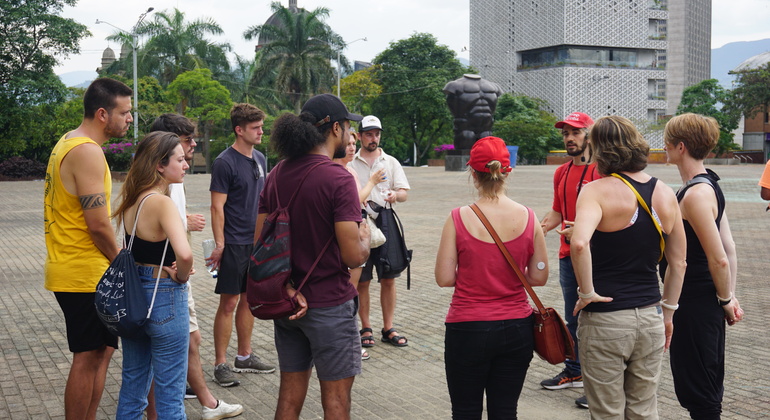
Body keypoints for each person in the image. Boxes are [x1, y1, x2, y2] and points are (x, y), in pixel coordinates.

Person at [256, 93, 369, 419]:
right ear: (335, 128)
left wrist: (288, 288)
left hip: (287, 302)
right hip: (329, 304)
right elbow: (350, 256)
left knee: (289, 397)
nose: (350, 136)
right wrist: (364, 242)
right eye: (348, 127)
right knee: (335, 401)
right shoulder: (338, 178)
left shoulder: (276, 175)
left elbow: (260, 243)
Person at [570, 115, 687, 419]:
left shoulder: (595, 190)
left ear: (599, 149)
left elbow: (580, 244)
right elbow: (678, 262)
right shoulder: (665, 192)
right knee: (644, 409)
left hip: (606, 319)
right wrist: (669, 311)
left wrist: (586, 291)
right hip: (650, 315)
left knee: (607, 411)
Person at [435, 136, 549, 419]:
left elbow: (444, 278)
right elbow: (539, 276)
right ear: (508, 171)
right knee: (505, 411)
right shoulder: (530, 217)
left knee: (465, 411)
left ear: (472, 173)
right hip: (516, 328)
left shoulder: (458, 217)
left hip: (467, 327)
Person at [44, 77, 131, 419]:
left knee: (101, 353)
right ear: (101, 114)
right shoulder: (87, 151)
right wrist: (124, 265)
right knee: (88, 356)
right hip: (83, 272)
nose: (129, 119)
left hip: (79, 269)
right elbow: (97, 225)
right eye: (124, 112)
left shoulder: (67, 142)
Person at [147, 114, 244, 419]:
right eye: (187, 140)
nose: (191, 148)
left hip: (167, 274)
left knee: (185, 341)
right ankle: (200, 403)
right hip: (167, 276)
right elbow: (158, 228)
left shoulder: (168, 178)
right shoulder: (163, 180)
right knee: (169, 349)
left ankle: (203, 400)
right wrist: (183, 267)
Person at [661, 113, 744, 419]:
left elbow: (719, 256)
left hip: (695, 303)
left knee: (700, 389)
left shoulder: (695, 195)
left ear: (680, 147)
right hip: (704, 301)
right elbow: (730, 247)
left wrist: (725, 300)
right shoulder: (707, 184)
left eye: (668, 141)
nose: (665, 146)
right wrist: (729, 296)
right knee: (704, 380)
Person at [113, 132, 193, 418]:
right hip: (165, 296)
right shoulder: (161, 203)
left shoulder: (131, 199)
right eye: (180, 159)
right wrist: (181, 277)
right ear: (160, 164)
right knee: (170, 395)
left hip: (135, 297)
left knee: (133, 388)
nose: (186, 164)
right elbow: (184, 254)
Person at [207, 103, 275, 387]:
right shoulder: (224, 162)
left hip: (257, 242)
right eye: (255, 128)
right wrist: (220, 244)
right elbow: (216, 207)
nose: (261, 131)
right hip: (234, 243)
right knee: (229, 303)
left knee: (249, 300)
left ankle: (244, 356)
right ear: (239, 130)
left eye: (261, 126)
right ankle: (220, 363)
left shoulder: (259, 157)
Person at [538, 112, 601, 408]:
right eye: (565, 134)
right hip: (567, 258)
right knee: (574, 320)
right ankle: (575, 372)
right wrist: (539, 229)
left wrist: (585, 230)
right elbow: (558, 213)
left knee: (599, 323)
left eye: (575, 132)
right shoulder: (561, 172)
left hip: (597, 258)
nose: (569, 139)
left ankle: (601, 386)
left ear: (588, 135)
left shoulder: (602, 171)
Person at [349, 115, 411, 348]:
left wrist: (396, 195)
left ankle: (388, 327)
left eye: (377, 134)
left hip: (386, 221)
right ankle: (365, 327)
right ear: (360, 136)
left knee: (389, 277)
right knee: (362, 280)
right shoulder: (350, 161)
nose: (373, 139)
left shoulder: (390, 161)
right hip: (361, 223)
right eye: (368, 134)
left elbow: (404, 192)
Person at [333, 129, 385, 361]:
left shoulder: (348, 170)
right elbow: (355, 201)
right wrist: (372, 181)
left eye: (354, 144)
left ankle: (348, 340)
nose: (352, 148)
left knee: (349, 290)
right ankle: (351, 341)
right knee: (348, 292)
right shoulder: (342, 172)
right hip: (349, 237)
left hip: (354, 233)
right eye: (348, 143)